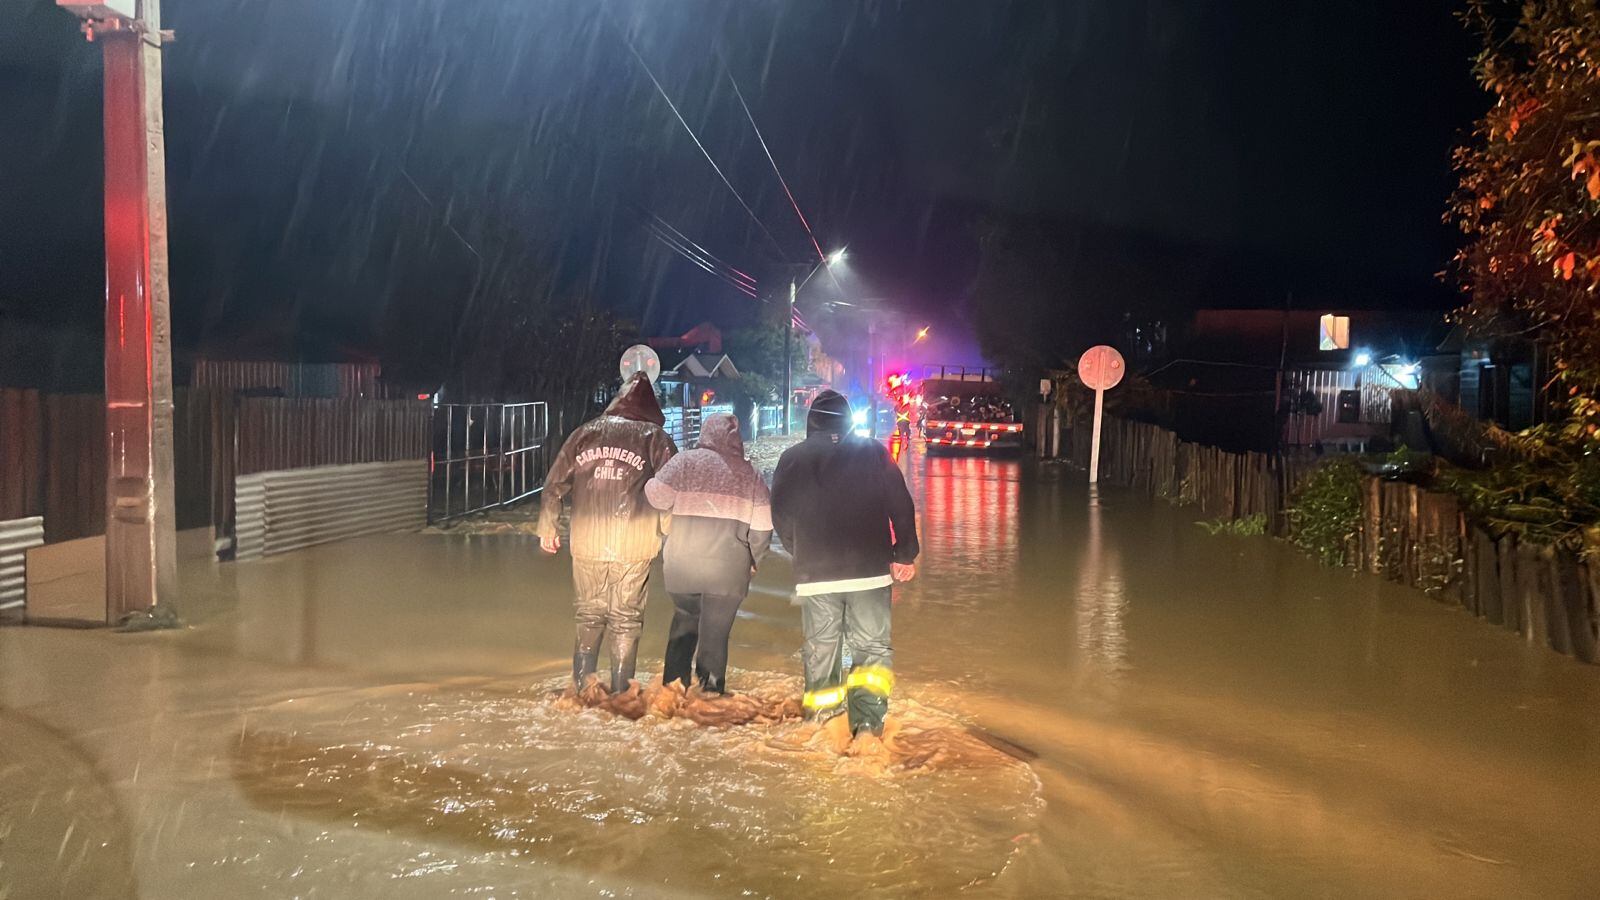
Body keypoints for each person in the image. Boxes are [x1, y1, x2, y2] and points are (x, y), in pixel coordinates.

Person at [770, 390, 919, 744]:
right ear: (849, 420)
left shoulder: (791, 459)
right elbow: (901, 505)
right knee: (872, 649)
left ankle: (823, 727)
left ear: (812, 421)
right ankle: (868, 729)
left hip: (815, 576)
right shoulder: (874, 453)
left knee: (822, 649)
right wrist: (905, 553)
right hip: (869, 573)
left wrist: (800, 552)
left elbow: (780, 514)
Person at [538, 373, 676, 693]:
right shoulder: (655, 438)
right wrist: (670, 534)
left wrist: (548, 528)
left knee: (588, 614)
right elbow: (671, 491)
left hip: (587, 540)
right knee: (626, 619)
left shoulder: (583, 434)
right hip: (636, 542)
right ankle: (621, 696)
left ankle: (582, 692)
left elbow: (553, 485)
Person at [643, 413, 772, 695]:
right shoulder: (750, 475)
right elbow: (763, 529)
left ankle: (672, 694)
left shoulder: (684, 461)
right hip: (727, 574)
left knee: (683, 624)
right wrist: (753, 562)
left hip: (681, 569)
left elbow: (655, 496)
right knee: (715, 635)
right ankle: (709, 699)